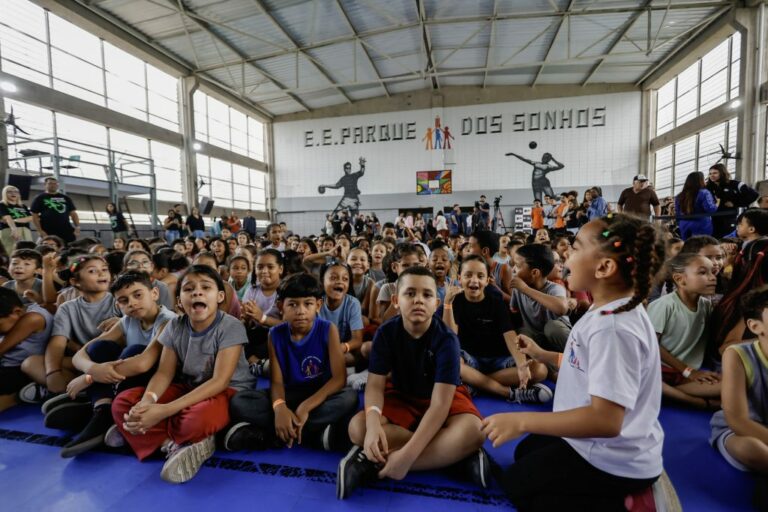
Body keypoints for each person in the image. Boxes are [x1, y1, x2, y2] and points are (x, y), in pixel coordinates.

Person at [482, 213, 665, 509]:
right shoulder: (606, 309)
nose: (564, 257)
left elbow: (606, 421)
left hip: (615, 460)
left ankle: (627, 502)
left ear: (604, 267)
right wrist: (542, 355)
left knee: (519, 486)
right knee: (526, 452)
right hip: (598, 444)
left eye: (576, 248)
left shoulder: (614, 328)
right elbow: (587, 363)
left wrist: (521, 419)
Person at [337, 267, 487, 499]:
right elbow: (375, 385)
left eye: (427, 295)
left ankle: (375, 463)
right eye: (410, 294)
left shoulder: (447, 340)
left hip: (440, 397)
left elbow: (439, 406)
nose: (418, 300)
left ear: (436, 303)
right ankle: (456, 456)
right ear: (396, 300)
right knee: (358, 429)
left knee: (475, 432)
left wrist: (406, 459)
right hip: (401, 394)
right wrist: (375, 424)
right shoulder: (386, 333)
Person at [110, 265, 255, 483]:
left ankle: (144, 430)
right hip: (188, 387)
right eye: (189, 289)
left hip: (227, 391)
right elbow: (163, 374)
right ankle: (171, 445)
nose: (197, 292)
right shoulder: (174, 326)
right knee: (123, 403)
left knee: (196, 420)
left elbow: (219, 381)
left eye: (206, 287)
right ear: (179, 301)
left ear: (220, 297)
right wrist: (147, 403)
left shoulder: (230, 326)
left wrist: (163, 411)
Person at [224, 273, 358, 452]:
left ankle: (275, 434)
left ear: (318, 306)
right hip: (289, 393)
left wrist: (306, 406)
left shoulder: (328, 329)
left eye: (308, 304)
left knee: (349, 398)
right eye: (293, 304)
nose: (301, 311)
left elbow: (339, 379)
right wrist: (279, 408)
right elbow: (277, 381)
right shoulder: (275, 334)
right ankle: (313, 434)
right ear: (281, 307)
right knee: (240, 401)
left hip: (320, 395)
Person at [54, 271, 177, 457]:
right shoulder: (127, 321)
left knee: (133, 351)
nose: (132, 303)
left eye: (138, 295)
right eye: (124, 300)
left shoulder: (168, 321)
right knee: (100, 348)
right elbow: (81, 354)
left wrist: (89, 378)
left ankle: (101, 409)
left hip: (160, 382)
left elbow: (143, 363)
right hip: (126, 379)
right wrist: (92, 369)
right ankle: (103, 408)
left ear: (154, 294)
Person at [442, 255, 551, 403]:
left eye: (480, 276)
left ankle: (476, 383)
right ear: (459, 278)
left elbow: (510, 335)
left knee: (540, 370)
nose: (474, 280)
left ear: (487, 281)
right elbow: (451, 336)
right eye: (468, 275)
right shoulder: (455, 301)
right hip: (470, 361)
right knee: (453, 362)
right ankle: (507, 392)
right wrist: (447, 304)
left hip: (499, 364)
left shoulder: (495, 302)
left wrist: (521, 365)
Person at [710, 286, 768, 509]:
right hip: (740, 430)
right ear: (755, 326)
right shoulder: (737, 355)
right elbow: (738, 421)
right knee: (751, 449)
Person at [647, 253, 721, 409]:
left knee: (736, 387)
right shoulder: (664, 305)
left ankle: (667, 392)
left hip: (684, 374)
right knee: (729, 391)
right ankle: (694, 401)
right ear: (680, 279)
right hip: (662, 370)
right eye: (702, 272)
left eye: (712, 272)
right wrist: (688, 371)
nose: (712, 277)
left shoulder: (706, 305)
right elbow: (651, 345)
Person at [510, 244, 572, 352]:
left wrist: (526, 289)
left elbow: (561, 308)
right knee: (522, 332)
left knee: (552, 328)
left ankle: (577, 359)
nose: (513, 269)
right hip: (536, 340)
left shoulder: (554, 288)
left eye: (518, 266)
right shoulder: (518, 289)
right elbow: (514, 312)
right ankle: (545, 366)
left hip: (558, 340)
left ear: (534, 272)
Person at [0, 287, 53, 412]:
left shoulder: (34, 317)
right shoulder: (11, 317)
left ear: (17, 312)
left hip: (18, 369)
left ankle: (17, 397)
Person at [707, 163, 759, 238]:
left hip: (732, 219)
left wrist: (735, 203)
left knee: (729, 241)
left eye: (715, 173)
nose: (712, 175)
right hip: (714, 220)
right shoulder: (708, 187)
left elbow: (754, 195)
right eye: (710, 173)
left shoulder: (735, 184)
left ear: (722, 173)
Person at [30, 177, 80, 244]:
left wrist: (77, 227)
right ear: (45, 185)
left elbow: (73, 214)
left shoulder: (65, 198)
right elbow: (34, 215)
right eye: (50, 183)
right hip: (48, 230)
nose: (53, 185)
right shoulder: (40, 198)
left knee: (69, 251)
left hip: (66, 230)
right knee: (48, 250)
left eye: (55, 183)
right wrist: (40, 231)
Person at [675, 171, 718, 240]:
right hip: (701, 224)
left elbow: (677, 213)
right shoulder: (704, 192)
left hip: (684, 224)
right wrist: (717, 203)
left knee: (687, 247)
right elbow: (710, 209)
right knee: (701, 246)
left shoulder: (679, 195)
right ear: (701, 180)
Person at [0, 185, 34, 254]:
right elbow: (7, 218)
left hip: (26, 230)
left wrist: (15, 220)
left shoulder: (22, 206)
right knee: (9, 252)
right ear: (5, 194)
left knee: (28, 251)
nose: (13, 193)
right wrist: (14, 229)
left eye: (16, 192)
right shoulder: (2, 205)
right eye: (10, 192)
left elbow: (30, 217)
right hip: (9, 230)